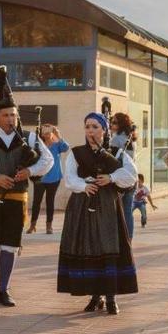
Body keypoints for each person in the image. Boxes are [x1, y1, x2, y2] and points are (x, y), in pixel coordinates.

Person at [0, 66, 53, 307]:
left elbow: (48, 161)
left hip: (16, 199)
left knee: (10, 244)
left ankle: (4, 289)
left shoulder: (30, 138)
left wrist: (30, 171)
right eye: (5, 115)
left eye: (13, 115)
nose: (10, 120)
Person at [57, 112, 138, 315]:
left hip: (108, 207)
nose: (90, 130)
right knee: (88, 249)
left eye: (95, 127)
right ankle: (95, 295)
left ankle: (111, 297)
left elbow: (130, 176)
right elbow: (69, 179)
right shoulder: (76, 153)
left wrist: (110, 177)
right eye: (87, 126)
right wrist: (84, 186)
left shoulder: (117, 152)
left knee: (108, 247)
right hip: (82, 206)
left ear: (104, 130)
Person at [27, 124, 69, 235]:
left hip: (54, 178)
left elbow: (66, 147)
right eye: (44, 130)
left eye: (49, 130)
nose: (47, 132)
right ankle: (33, 225)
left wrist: (58, 135)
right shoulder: (38, 145)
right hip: (40, 178)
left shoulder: (56, 145)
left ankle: (49, 226)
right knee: (36, 202)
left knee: (50, 202)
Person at [110, 113, 138, 238]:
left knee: (118, 211)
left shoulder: (116, 139)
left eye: (115, 122)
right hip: (132, 178)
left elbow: (112, 159)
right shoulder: (131, 138)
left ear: (121, 124)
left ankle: (120, 239)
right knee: (127, 211)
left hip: (120, 178)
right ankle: (129, 239)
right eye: (112, 122)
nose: (112, 124)